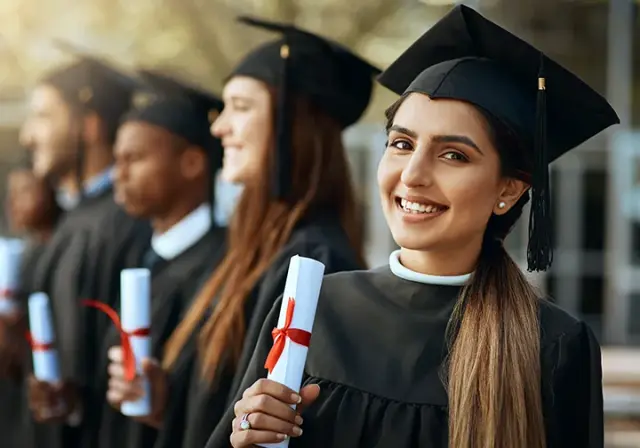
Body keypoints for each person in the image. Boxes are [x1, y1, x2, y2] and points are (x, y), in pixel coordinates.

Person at [212, 5, 619, 448]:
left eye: (453, 155)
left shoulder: (553, 346)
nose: (413, 175)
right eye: (402, 144)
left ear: (510, 190)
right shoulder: (313, 311)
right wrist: (247, 436)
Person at [105, 16, 379, 448]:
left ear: (293, 126)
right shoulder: (254, 249)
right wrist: (163, 402)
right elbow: (226, 406)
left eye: (241, 107)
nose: (219, 127)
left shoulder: (315, 260)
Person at [18, 42, 151, 448]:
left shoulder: (117, 225)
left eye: (43, 117)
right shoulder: (72, 219)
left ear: (89, 126)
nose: (28, 135)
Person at [89, 70, 227, 448]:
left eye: (134, 158)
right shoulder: (139, 255)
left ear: (192, 163)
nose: (119, 174)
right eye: (117, 159)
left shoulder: (224, 270)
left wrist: (170, 408)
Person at [0, 168, 61, 448]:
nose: (13, 203)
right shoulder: (26, 252)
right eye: (10, 195)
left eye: (24, 191)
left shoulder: (65, 249)